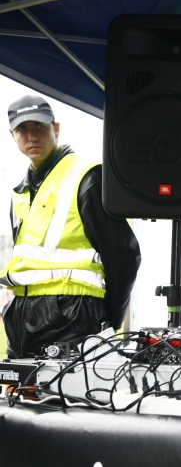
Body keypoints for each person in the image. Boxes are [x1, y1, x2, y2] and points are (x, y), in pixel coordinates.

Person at [0, 95, 141, 358]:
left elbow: (125, 256)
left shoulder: (87, 176)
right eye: (23, 129)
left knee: (66, 387)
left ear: (56, 128)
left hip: (73, 320)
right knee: (20, 385)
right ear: (12, 135)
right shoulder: (20, 192)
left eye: (40, 126)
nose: (32, 136)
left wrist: (110, 321)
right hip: (22, 323)